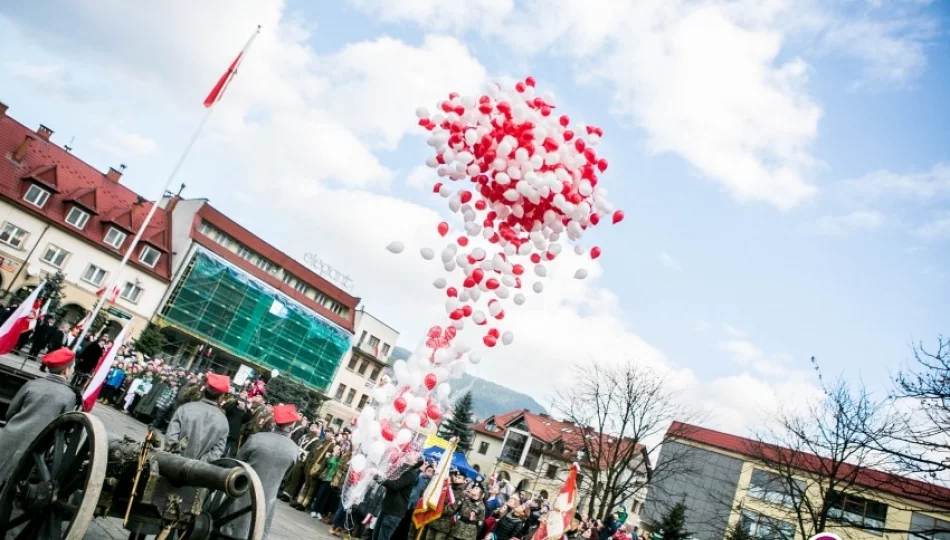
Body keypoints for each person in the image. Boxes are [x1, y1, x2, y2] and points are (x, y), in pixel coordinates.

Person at [0, 348, 81, 483]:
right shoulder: (69, 395)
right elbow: (63, 427)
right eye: (72, 367)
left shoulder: (32, 384)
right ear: (66, 371)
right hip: (36, 446)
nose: (73, 370)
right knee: (14, 481)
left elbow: (11, 412)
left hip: (9, 436)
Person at [223, 404, 300, 539]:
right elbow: (287, 474)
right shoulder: (293, 450)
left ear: (275, 422)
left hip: (244, 489)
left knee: (235, 523)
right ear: (292, 427)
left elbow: (239, 461)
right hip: (268, 496)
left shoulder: (257, 438)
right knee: (258, 527)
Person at [165, 373, 231, 461]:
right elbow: (217, 452)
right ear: (221, 397)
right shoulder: (223, 421)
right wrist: (197, 464)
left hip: (171, 463)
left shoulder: (185, 408)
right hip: (197, 471)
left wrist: (178, 458)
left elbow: (171, 438)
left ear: (203, 391)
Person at [374, 453, 423, 540]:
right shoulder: (402, 469)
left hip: (394, 512)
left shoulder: (411, 474)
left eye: (414, 454)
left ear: (416, 461)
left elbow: (395, 485)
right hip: (387, 507)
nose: (411, 453)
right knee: (375, 535)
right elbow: (389, 480)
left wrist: (378, 477)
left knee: (382, 538)